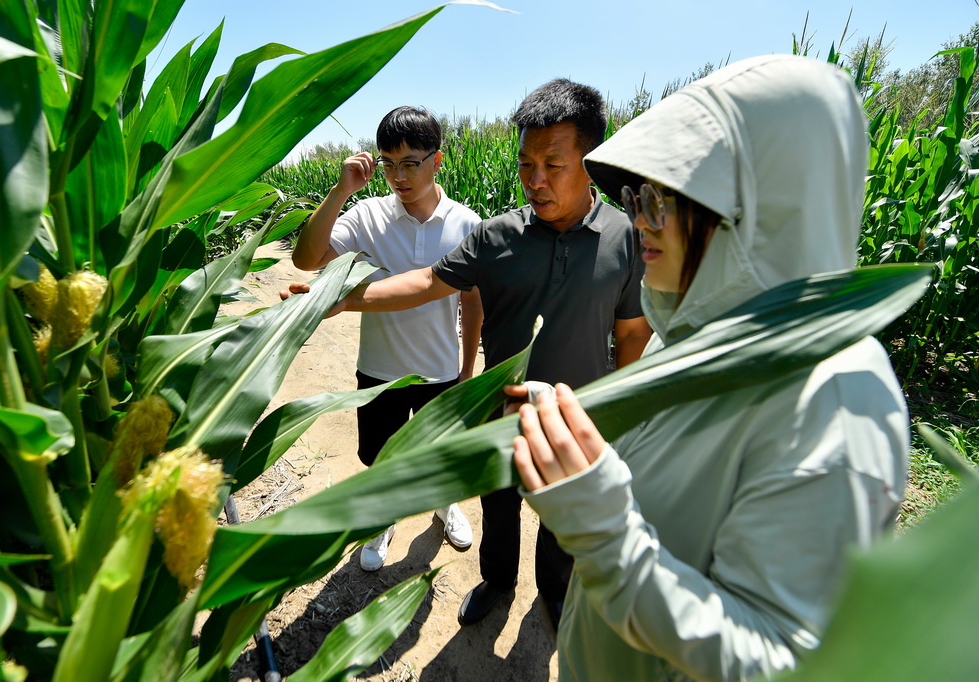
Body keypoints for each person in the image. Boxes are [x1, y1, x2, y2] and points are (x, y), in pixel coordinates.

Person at [510, 55, 910, 681]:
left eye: (664, 199)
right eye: (636, 196)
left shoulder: (835, 402)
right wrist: (583, 430)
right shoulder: (698, 333)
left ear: (762, 211)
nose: (640, 218)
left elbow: (779, 663)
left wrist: (603, 534)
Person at [301, 79, 652, 629]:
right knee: (499, 504)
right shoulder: (496, 237)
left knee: (563, 519)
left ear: (591, 161)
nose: (535, 181)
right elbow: (423, 283)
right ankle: (497, 581)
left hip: (578, 417)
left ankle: (554, 593)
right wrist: (339, 301)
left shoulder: (625, 239)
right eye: (525, 163)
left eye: (553, 165)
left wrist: (622, 410)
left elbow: (631, 333)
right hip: (502, 410)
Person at [288, 106, 483, 572]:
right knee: (379, 456)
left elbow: (472, 302)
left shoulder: (466, 223)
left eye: (410, 163)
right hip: (378, 371)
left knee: (440, 453)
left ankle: (444, 505)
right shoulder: (367, 214)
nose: (398, 176)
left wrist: (467, 368)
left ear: (437, 161)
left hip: (440, 367)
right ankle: (383, 520)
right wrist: (341, 190)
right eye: (388, 164)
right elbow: (305, 259)